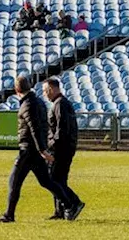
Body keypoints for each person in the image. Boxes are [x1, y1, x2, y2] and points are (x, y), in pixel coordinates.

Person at [0, 76, 78, 223]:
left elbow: (34, 129)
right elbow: (41, 127)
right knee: (47, 181)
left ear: (16, 89)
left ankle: (9, 215)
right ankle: (70, 204)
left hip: (28, 150)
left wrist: (42, 150)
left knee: (14, 181)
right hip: (35, 150)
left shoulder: (28, 104)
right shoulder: (38, 102)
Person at [44, 78, 85, 220]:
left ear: (52, 89)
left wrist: (52, 147)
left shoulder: (60, 104)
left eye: (46, 91)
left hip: (61, 149)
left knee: (53, 180)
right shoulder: (61, 103)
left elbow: (61, 129)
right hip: (65, 148)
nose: (45, 94)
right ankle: (60, 211)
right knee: (59, 179)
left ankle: (74, 202)